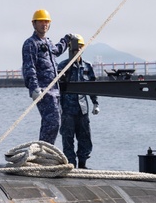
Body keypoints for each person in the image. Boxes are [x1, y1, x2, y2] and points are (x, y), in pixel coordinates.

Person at [22, 9, 72, 144]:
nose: (44, 24)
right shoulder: (31, 43)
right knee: (52, 121)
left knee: (54, 122)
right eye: (41, 22)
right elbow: (29, 66)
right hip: (43, 90)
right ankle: (43, 152)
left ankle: (45, 151)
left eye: (46, 22)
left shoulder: (48, 43)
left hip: (55, 90)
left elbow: (56, 50)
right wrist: (34, 88)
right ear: (34, 24)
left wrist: (66, 40)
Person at [58, 34, 100, 168]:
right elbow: (57, 88)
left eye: (80, 48)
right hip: (67, 110)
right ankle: (71, 164)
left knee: (85, 138)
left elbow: (92, 87)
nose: (77, 51)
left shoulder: (87, 67)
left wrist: (95, 103)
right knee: (67, 138)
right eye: (75, 48)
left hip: (82, 109)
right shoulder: (63, 66)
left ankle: (83, 164)